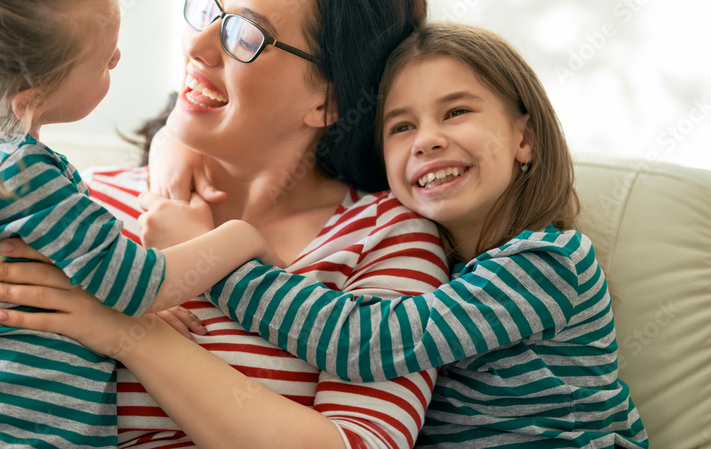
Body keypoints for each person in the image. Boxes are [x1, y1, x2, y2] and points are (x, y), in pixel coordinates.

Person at [0, 0, 451, 448]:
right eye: (209, 9)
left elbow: (361, 442)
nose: (197, 46)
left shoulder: (382, 237)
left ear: (329, 100)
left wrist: (131, 334)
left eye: (245, 34)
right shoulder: (73, 202)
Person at [0, 0, 283, 449]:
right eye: (104, 60)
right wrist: (240, 237)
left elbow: (89, 281)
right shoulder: (24, 174)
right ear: (30, 98)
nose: (117, 61)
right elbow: (141, 283)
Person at [173, 23, 651, 447]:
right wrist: (177, 144)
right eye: (401, 126)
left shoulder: (550, 262)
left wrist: (216, 265)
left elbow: (366, 343)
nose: (426, 140)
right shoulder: (429, 264)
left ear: (524, 139)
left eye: (456, 111)